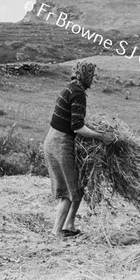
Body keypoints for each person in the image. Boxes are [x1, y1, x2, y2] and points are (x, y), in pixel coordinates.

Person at [43, 60, 112, 237]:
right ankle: (57, 231)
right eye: (93, 76)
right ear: (86, 75)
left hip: (52, 139)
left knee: (78, 187)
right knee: (68, 190)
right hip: (60, 143)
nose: (94, 80)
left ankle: (70, 225)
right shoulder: (78, 93)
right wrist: (101, 136)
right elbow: (77, 127)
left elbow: (73, 120)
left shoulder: (70, 88)